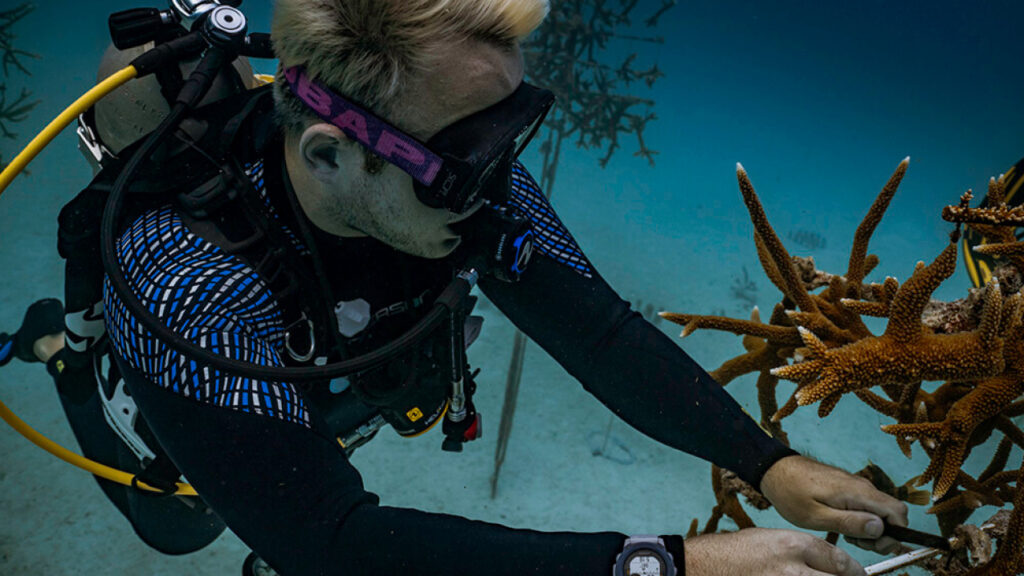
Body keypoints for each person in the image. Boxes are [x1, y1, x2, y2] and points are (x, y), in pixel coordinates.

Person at [5, 1, 910, 574]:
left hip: (333, 375)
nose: (503, 185)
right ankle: (60, 350)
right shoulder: (187, 285)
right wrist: (675, 565)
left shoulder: (453, 185)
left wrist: (767, 462)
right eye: (472, 157)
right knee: (179, 525)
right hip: (208, 376)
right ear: (330, 151)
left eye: (507, 133)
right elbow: (326, 544)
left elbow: (596, 333)